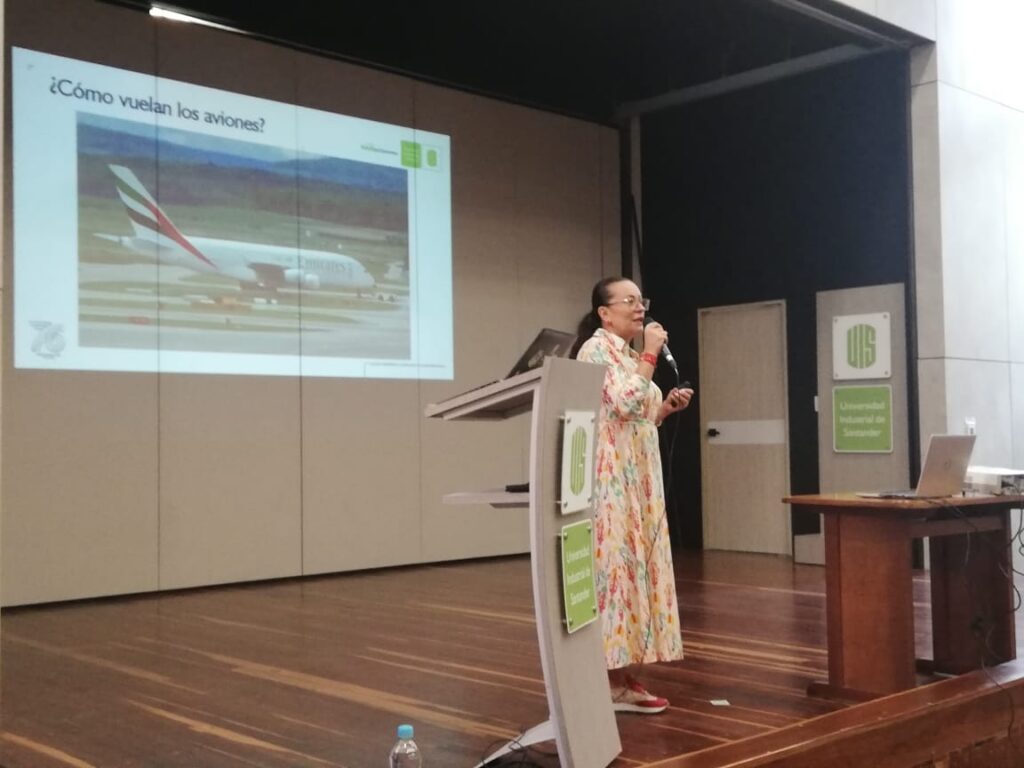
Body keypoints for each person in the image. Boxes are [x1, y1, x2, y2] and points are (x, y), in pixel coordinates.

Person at [573, 276, 692, 714]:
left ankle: (620, 676)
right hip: (612, 483)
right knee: (616, 577)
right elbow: (621, 404)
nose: (639, 307)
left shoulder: (623, 354)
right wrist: (650, 354)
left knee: (635, 573)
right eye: (628, 301)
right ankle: (606, 681)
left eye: (642, 299)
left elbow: (633, 414)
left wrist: (661, 410)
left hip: (637, 478)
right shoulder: (595, 350)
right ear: (605, 312)